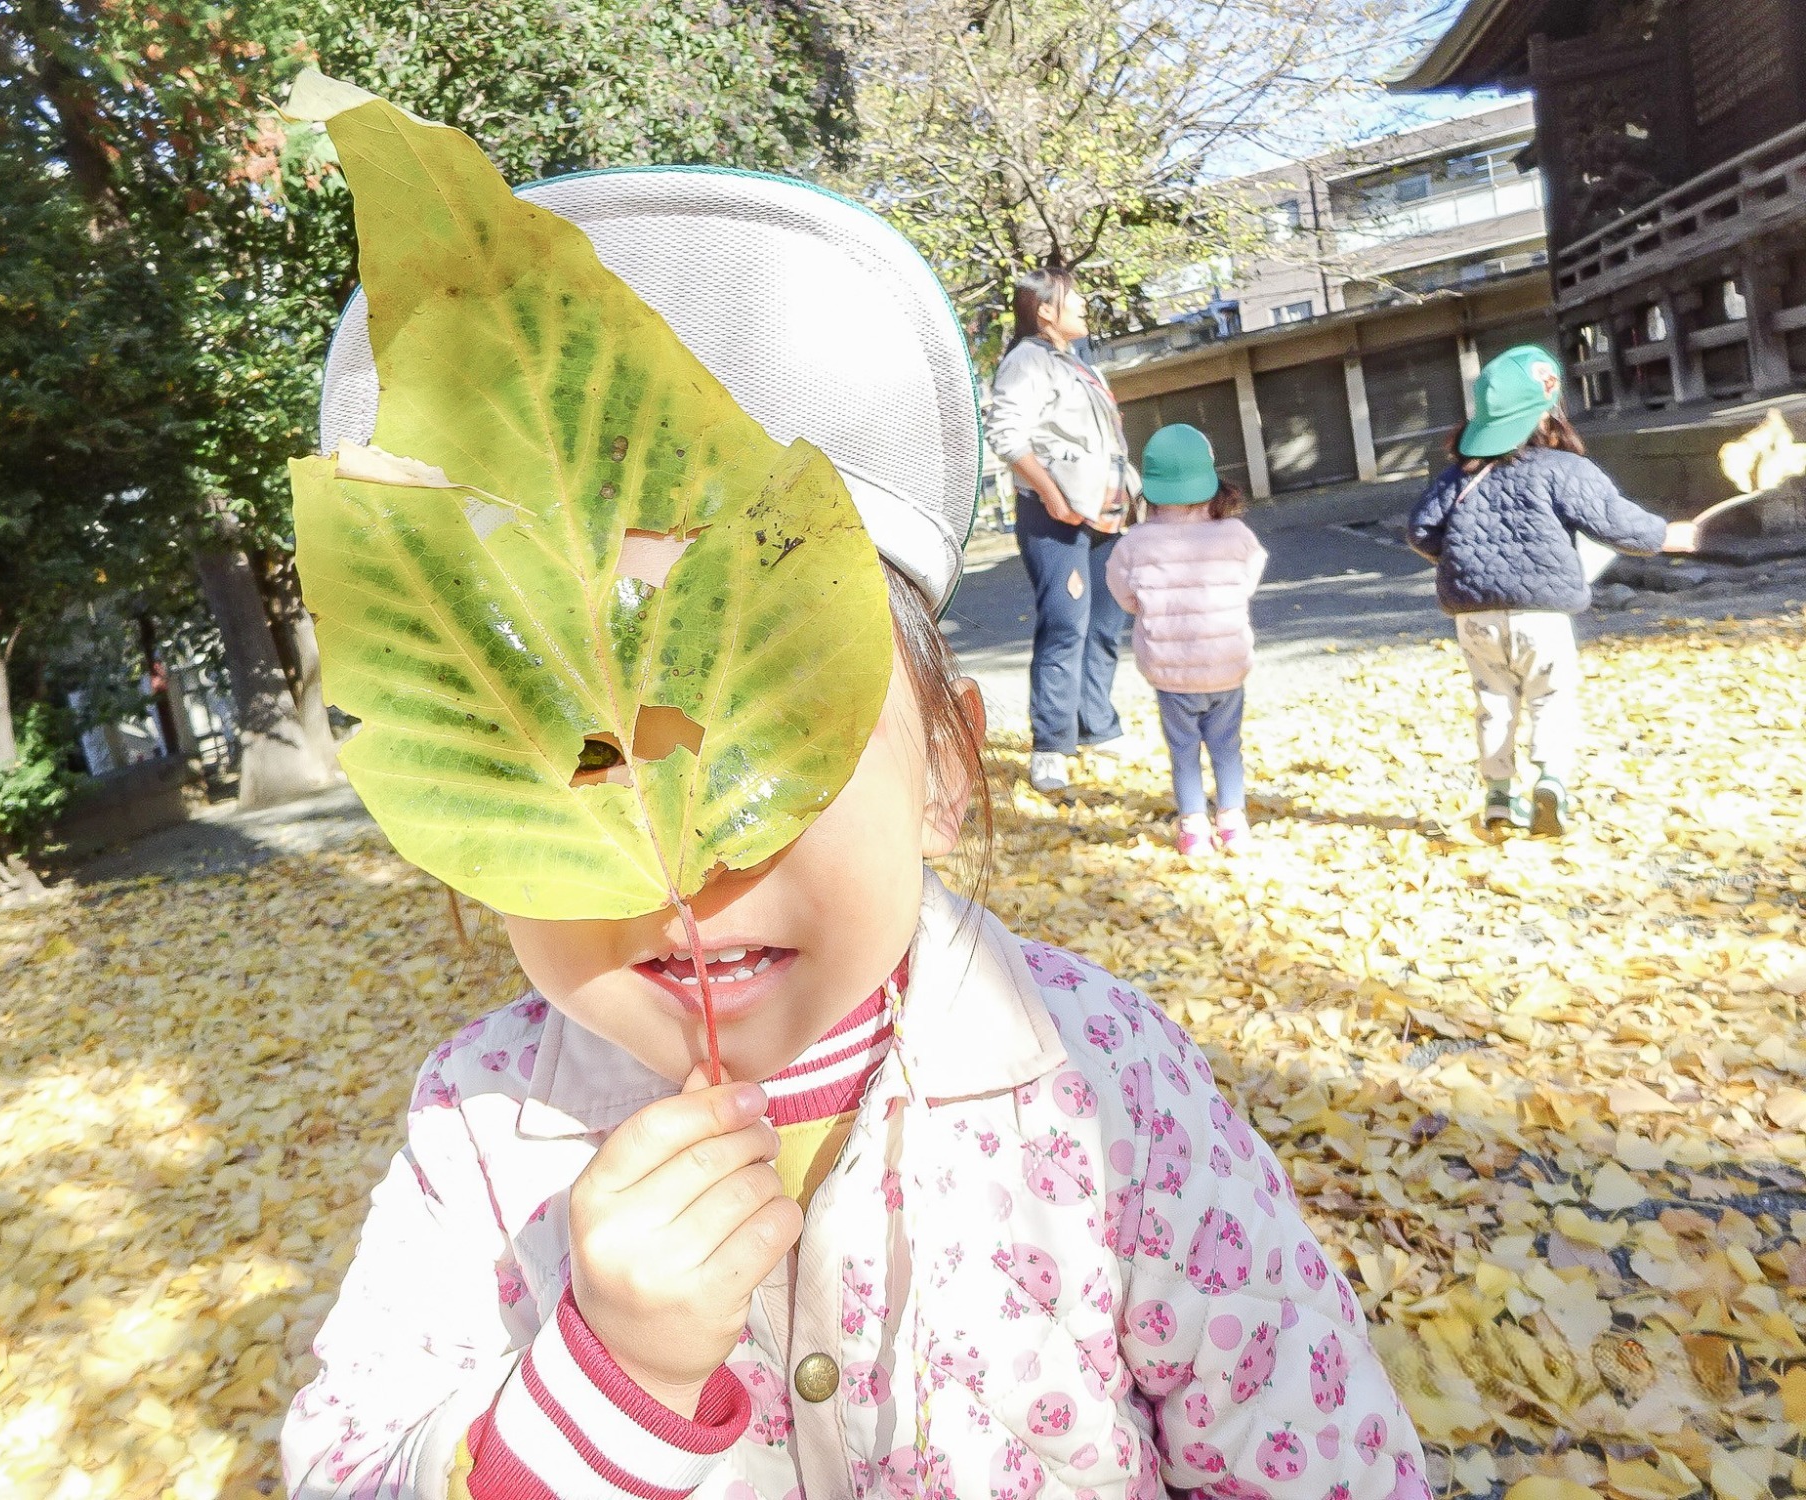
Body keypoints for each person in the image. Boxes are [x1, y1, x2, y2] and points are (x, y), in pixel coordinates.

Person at [286, 164, 1429, 1500]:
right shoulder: (480, 1138)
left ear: (944, 762)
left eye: (769, 729)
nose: (690, 855)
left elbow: (1308, 1437)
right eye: (573, 754)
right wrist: (601, 1390)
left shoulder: (1107, 1082)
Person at [1407, 345, 1697, 836]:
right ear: (1551, 409)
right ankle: (1551, 782)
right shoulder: (1563, 469)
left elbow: (1421, 532)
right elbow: (1618, 524)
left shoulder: (1458, 475)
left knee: (1494, 700)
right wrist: (1672, 535)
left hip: (1474, 616)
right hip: (1542, 614)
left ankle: (1498, 795)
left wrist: (1467, 559)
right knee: (1550, 696)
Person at [986, 269, 1140, 796]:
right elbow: (1006, 436)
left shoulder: (1076, 364)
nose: (1085, 304)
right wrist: (1055, 499)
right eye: (1074, 297)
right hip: (1056, 520)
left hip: (1106, 519)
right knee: (1065, 628)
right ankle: (1050, 746)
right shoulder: (1026, 361)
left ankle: (1097, 726)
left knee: (1103, 624)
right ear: (1046, 309)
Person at [1107, 424, 1267, 859]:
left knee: (1183, 751)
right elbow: (1248, 580)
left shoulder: (1135, 543)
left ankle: (1194, 830)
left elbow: (1124, 597)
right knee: (1227, 747)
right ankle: (1233, 823)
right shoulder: (1236, 535)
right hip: (1226, 664)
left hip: (1171, 669)